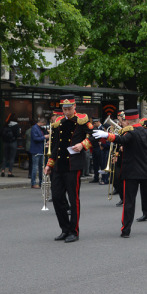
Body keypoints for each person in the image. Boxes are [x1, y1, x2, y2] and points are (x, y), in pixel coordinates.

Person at [94, 109, 147, 237]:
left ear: (128, 121)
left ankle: (126, 230)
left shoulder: (130, 132)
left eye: (124, 120)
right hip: (146, 172)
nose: (123, 122)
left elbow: (121, 140)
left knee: (129, 202)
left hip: (131, 172)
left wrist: (106, 136)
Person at [44, 94, 97, 243]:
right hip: (59, 165)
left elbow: (94, 135)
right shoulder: (58, 122)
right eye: (64, 109)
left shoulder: (82, 120)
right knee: (56, 197)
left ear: (74, 107)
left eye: (69, 109)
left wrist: (83, 144)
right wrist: (49, 163)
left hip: (73, 165)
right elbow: (55, 146)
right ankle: (64, 229)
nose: (66, 112)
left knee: (73, 200)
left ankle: (74, 231)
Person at [29, 117, 48, 189]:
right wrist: (44, 137)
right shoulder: (35, 128)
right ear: (41, 123)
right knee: (35, 167)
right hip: (36, 150)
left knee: (41, 167)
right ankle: (33, 183)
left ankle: (41, 182)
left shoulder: (41, 129)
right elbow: (35, 138)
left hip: (41, 150)